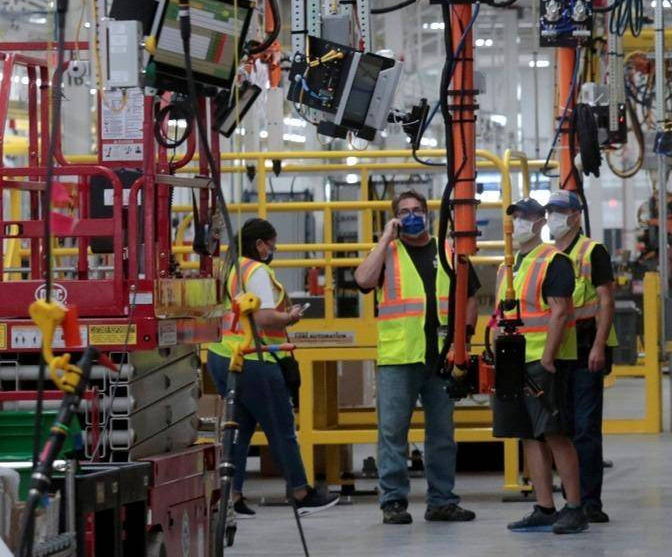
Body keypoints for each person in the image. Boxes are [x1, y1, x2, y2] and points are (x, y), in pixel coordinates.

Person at [353, 190, 483, 525]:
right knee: (392, 434)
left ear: (427, 214)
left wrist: (463, 339)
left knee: (442, 435)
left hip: (442, 358)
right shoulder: (388, 253)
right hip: (400, 358)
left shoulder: (448, 250)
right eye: (404, 211)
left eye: (416, 210)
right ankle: (393, 502)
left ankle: (442, 502)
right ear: (395, 218)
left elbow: (471, 296)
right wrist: (385, 238)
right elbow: (363, 280)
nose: (411, 215)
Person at [205, 218, 340, 515]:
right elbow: (264, 318)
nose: (273, 250)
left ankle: (232, 497)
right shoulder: (256, 271)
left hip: (222, 356)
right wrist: (290, 317)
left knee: (239, 429)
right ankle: (301, 493)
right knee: (281, 428)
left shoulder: (230, 267)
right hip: (253, 360)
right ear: (259, 244)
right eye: (271, 244)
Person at [492, 198, 588, 534]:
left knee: (554, 433)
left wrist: (548, 357)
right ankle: (545, 507)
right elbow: (500, 315)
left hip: (542, 363)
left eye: (526, 216)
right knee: (528, 436)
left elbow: (560, 311)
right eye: (516, 216)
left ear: (540, 222)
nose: (519, 222)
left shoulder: (554, 261)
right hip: (512, 363)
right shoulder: (507, 266)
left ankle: (575, 507)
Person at [543, 192, 615, 524]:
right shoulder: (548, 255)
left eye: (559, 211)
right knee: (563, 426)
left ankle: (589, 503)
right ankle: (570, 499)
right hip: (559, 350)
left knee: (585, 428)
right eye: (549, 211)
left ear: (575, 216)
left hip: (586, 349)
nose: (552, 217)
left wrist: (599, 345)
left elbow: (606, 302)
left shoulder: (592, 251)